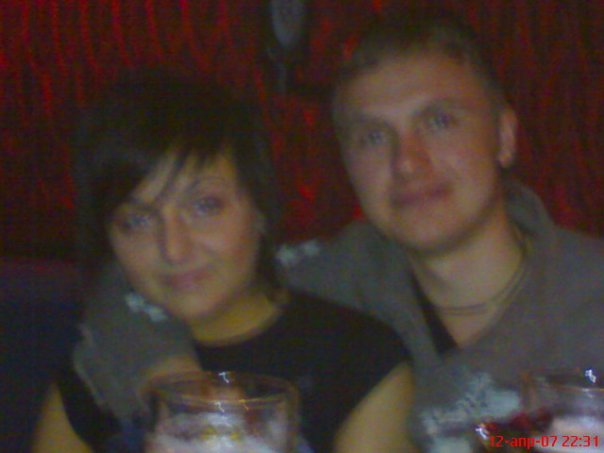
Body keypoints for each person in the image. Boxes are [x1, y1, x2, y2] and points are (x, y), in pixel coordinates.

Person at [51, 10, 604, 452]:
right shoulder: (336, 274)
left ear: (504, 137)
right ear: (347, 165)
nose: (408, 161)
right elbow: (135, 282)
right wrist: (173, 384)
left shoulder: (591, 294)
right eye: (372, 137)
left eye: (439, 121)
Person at [32, 71, 415, 453]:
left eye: (205, 206)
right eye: (137, 221)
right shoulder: (104, 366)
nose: (174, 249)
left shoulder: (357, 360)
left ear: (260, 207)